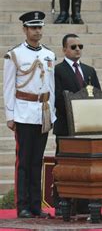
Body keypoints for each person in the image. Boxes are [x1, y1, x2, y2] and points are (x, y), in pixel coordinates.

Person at [3, 11, 56, 218]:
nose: (37, 31)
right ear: (25, 29)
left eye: (39, 27)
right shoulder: (14, 55)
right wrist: (10, 115)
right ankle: (22, 204)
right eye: (33, 27)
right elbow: (8, 87)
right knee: (23, 161)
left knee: (37, 160)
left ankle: (36, 204)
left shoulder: (49, 55)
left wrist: (51, 114)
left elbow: (50, 86)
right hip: (24, 111)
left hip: (41, 111)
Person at [53, 33, 101, 215]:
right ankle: (61, 204)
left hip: (87, 129)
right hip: (66, 127)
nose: (78, 49)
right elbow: (57, 97)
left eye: (80, 46)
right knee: (64, 167)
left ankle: (83, 204)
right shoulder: (58, 70)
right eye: (73, 47)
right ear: (64, 49)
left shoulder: (89, 71)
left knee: (85, 167)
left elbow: (98, 94)